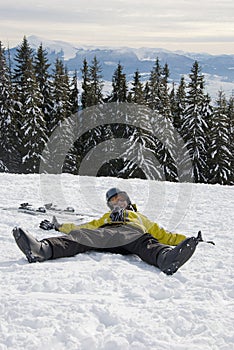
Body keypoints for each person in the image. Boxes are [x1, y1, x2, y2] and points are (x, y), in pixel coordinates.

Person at [13, 187, 202, 275]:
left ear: (128, 202)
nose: (118, 203)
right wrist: (58, 226)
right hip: (107, 236)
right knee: (82, 236)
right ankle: (42, 249)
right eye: (114, 201)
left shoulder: (140, 217)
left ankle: (166, 258)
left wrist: (190, 240)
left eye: (121, 200)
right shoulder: (106, 218)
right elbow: (82, 228)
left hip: (132, 235)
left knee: (147, 242)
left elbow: (166, 235)